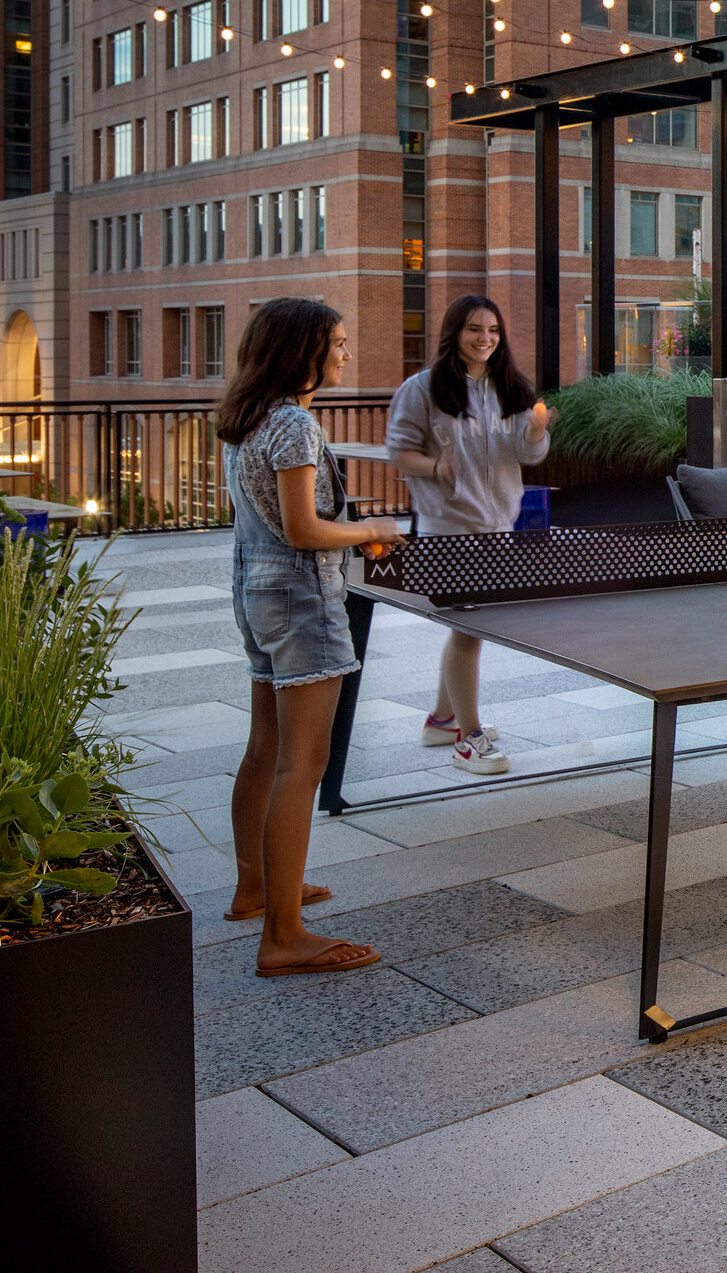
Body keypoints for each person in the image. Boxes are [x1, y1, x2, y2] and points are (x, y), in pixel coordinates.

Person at [217, 298, 404, 975]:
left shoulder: (246, 417)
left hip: (255, 589)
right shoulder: (294, 423)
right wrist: (375, 531)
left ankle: (256, 890)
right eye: (338, 343)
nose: (345, 355)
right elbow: (305, 530)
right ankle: (284, 936)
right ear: (305, 351)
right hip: (300, 594)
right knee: (305, 762)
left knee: (265, 750)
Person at [387, 295, 555, 776]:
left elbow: (530, 457)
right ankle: (469, 738)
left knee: (468, 629)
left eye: (493, 331)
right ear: (454, 333)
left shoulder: (512, 388)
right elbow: (400, 452)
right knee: (469, 631)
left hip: (498, 525)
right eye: (474, 329)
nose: (485, 338)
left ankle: (443, 721)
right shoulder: (423, 389)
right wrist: (437, 466)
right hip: (448, 528)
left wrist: (537, 431)